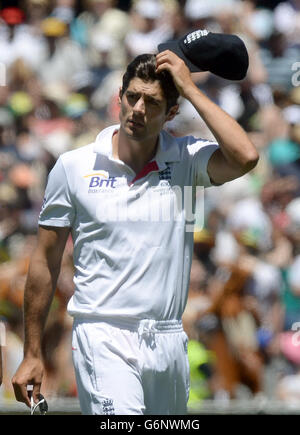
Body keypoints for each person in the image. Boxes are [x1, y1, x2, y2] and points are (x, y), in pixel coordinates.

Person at [11, 49, 259, 415]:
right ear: (120, 97)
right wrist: (33, 352)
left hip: (169, 340)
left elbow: (245, 156)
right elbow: (45, 261)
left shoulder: (188, 157)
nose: (138, 109)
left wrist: (189, 88)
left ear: (172, 112)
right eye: (132, 97)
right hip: (102, 333)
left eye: (153, 102)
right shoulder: (73, 166)